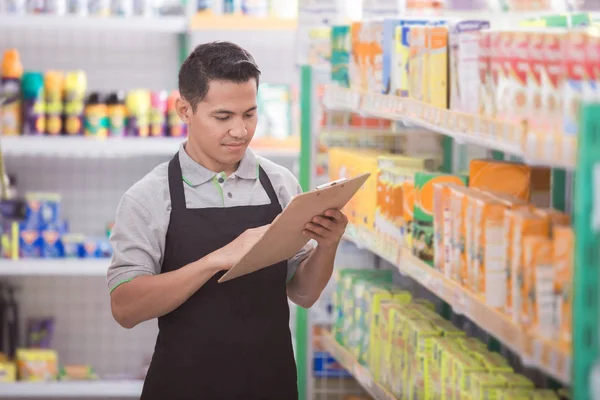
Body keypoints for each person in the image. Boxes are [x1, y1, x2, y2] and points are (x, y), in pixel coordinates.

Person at [107, 41, 348, 399]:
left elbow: (304, 292)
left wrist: (327, 245)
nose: (240, 131)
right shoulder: (149, 197)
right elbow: (125, 307)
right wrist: (216, 260)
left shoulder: (280, 185)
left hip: (270, 383)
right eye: (223, 117)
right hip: (183, 387)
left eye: (249, 114)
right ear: (184, 110)